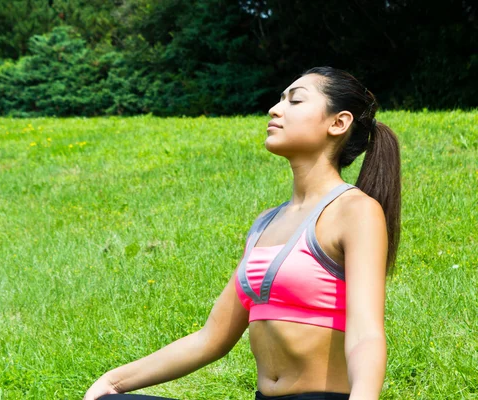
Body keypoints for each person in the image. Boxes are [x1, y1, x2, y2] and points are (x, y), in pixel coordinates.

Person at [83, 66, 401, 400]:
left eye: (295, 101)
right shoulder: (265, 223)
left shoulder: (355, 211)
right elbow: (212, 338)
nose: (274, 109)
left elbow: (366, 334)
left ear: (338, 123)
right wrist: (112, 383)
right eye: (279, 100)